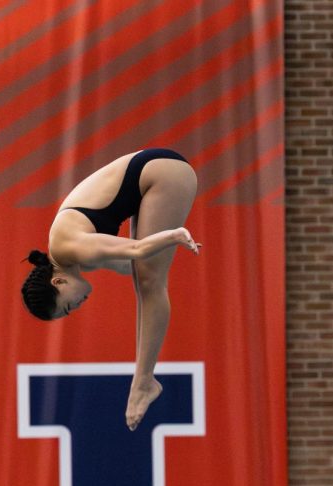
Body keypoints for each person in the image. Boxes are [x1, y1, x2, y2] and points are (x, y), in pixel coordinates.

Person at [20, 148, 201, 431]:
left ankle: (142, 384)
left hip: (164, 174)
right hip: (151, 176)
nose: (77, 306)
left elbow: (138, 250)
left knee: (151, 282)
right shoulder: (75, 259)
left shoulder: (72, 247)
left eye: (68, 306)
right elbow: (132, 265)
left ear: (58, 282)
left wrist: (174, 236)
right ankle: (143, 379)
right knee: (146, 281)